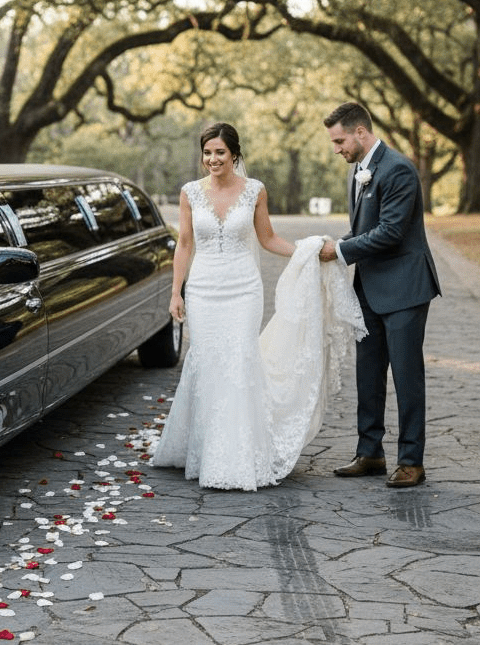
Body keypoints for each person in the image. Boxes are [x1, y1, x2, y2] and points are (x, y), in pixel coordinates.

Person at [153, 123, 366, 490]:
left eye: (220, 152)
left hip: (243, 290)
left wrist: (307, 250)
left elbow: (267, 239)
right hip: (203, 289)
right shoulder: (190, 193)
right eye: (207, 152)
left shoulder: (255, 191)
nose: (213, 159)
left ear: (235, 155)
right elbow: (185, 244)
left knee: (238, 361)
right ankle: (205, 449)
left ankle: (236, 457)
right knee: (207, 362)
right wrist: (176, 292)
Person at [319, 102, 441, 488]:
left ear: (360, 132)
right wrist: (339, 244)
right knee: (368, 373)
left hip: (405, 287)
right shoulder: (359, 170)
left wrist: (338, 251)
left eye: (339, 141)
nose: (336, 149)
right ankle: (370, 451)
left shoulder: (399, 169)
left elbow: (390, 231)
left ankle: (411, 460)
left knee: (407, 376)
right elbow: (362, 228)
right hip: (369, 289)